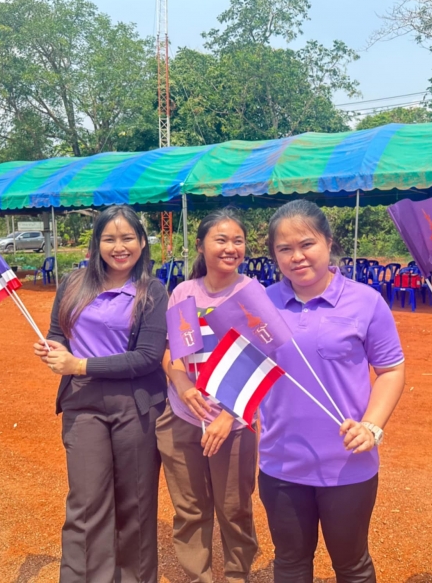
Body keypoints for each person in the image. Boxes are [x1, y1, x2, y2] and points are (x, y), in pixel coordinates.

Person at [260, 200, 405, 582]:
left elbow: (390, 371)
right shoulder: (262, 304)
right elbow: (242, 366)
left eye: (306, 244)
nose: (297, 256)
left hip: (347, 464)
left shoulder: (366, 302)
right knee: (290, 563)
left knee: (352, 565)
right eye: (284, 249)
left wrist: (371, 426)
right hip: (281, 463)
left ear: (328, 241)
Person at [33, 205, 167, 583]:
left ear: (142, 242)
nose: (118, 247)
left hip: (136, 404)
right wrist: (53, 349)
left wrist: (79, 365)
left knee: (136, 502)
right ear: (96, 244)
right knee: (86, 502)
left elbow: (148, 357)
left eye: (127, 238)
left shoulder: (152, 291)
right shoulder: (73, 284)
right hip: (83, 402)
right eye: (109, 239)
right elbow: (59, 333)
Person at [156, 208, 259, 583]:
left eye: (238, 241)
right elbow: (172, 352)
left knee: (234, 510)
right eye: (221, 239)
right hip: (183, 418)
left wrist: (228, 416)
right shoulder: (184, 293)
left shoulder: (252, 294)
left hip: (233, 425)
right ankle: (198, 576)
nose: (231, 248)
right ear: (200, 245)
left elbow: (263, 360)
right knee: (190, 509)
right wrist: (182, 385)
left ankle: (236, 576)